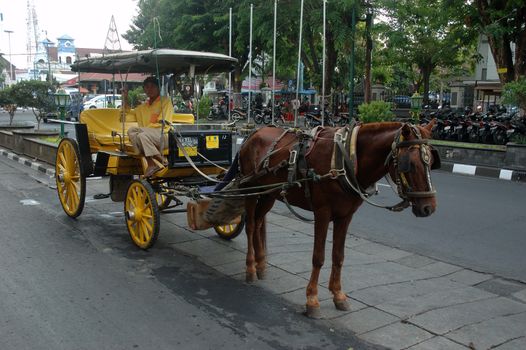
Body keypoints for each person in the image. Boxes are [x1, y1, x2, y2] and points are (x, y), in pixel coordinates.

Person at [122, 77, 174, 177]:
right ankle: (154, 162)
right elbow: (127, 113)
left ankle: (158, 161)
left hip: (163, 136)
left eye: (152, 87)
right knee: (135, 134)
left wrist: (144, 130)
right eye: (147, 87)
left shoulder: (166, 102)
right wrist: (125, 97)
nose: (149, 89)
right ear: (144, 89)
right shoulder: (142, 107)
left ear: (158, 88)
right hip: (145, 137)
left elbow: (164, 123)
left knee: (138, 133)